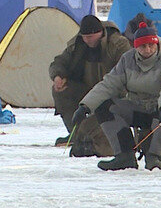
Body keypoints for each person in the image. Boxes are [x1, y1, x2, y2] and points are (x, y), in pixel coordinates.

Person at [72, 22, 161, 171]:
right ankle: (124, 155)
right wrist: (85, 106)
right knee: (106, 107)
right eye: (143, 46)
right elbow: (109, 84)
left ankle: (154, 156)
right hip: (138, 105)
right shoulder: (127, 59)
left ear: (156, 43)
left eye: (151, 45)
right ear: (135, 47)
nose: (147, 50)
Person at [49, 15, 130, 145]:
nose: (87, 40)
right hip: (87, 90)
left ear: (100, 33)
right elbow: (59, 61)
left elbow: (126, 72)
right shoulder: (78, 44)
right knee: (61, 90)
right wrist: (58, 76)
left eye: (90, 37)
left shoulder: (118, 44)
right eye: (84, 37)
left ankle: (92, 135)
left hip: (113, 93)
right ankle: (75, 134)